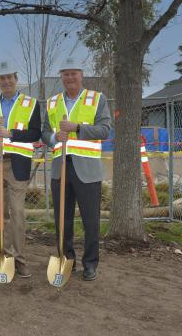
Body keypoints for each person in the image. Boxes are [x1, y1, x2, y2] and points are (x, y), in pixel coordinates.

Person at [41, 58, 111, 281]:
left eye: (74, 73)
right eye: (65, 74)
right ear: (61, 76)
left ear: (81, 75)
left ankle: (90, 264)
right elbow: (44, 132)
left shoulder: (96, 99)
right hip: (60, 168)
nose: (69, 78)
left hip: (87, 170)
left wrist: (77, 128)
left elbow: (105, 130)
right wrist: (54, 137)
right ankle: (66, 259)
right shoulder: (52, 103)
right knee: (63, 219)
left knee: (91, 220)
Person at [0, 60, 41, 278]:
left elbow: (35, 133)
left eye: (9, 77)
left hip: (18, 164)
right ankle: (4, 257)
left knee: (17, 213)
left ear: (16, 79)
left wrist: (12, 134)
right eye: (2, 78)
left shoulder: (31, 103)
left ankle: (20, 259)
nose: (6, 81)